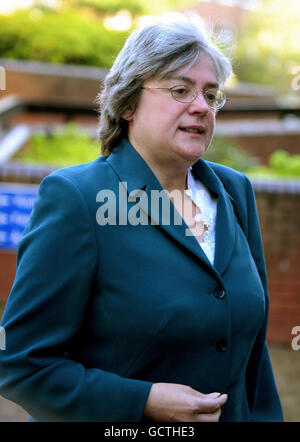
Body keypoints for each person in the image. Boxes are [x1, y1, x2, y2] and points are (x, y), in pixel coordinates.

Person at [0, 13, 283, 422]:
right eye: (181, 90)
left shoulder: (234, 191)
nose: (201, 106)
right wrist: (142, 400)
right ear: (128, 103)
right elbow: (22, 365)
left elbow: (253, 361)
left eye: (211, 93)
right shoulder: (78, 197)